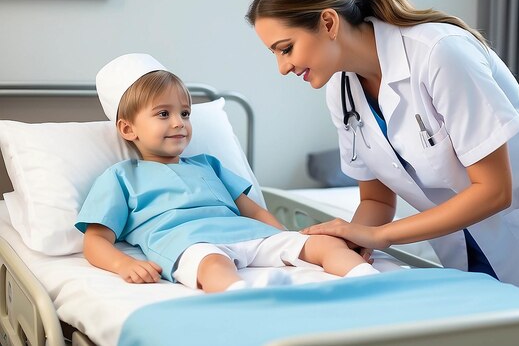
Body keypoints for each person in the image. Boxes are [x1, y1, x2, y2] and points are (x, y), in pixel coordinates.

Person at [246, 0, 519, 301]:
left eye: (286, 48)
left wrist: (380, 236)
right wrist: (350, 241)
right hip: (469, 259)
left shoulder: (440, 52)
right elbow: (376, 200)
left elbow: (494, 190)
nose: (283, 67)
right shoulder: (342, 92)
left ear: (328, 22)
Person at [75, 53, 379, 293]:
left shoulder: (208, 164)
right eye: (163, 114)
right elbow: (96, 240)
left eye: (185, 113)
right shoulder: (122, 177)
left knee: (325, 243)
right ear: (128, 129)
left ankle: (368, 277)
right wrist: (123, 264)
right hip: (190, 244)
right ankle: (239, 293)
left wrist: (286, 237)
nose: (179, 122)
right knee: (211, 265)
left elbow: (254, 211)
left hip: (250, 235)